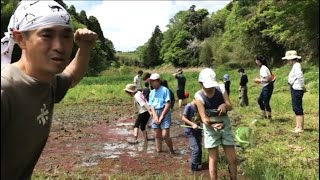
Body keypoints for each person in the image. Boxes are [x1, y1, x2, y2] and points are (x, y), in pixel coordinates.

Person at [1, 1, 97, 179]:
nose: (59, 47)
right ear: (20, 38)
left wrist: (85, 47)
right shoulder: (5, 90)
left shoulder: (47, 81)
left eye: (66, 36)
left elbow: (72, 75)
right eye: (46, 35)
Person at [194, 68, 237, 180]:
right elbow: (204, 118)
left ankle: (234, 177)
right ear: (201, 83)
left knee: (231, 158)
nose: (209, 88)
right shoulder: (199, 96)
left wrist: (224, 106)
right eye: (206, 86)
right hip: (210, 127)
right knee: (213, 159)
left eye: (211, 85)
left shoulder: (221, 88)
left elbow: (230, 105)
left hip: (224, 123)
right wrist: (213, 125)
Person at [148, 73, 174, 154]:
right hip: (155, 111)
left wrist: (162, 115)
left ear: (158, 81)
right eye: (151, 82)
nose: (152, 83)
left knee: (165, 135)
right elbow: (151, 105)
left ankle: (171, 150)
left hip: (164, 111)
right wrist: (155, 116)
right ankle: (159, 150)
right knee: (156, 134)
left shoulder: (165, 90)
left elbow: (168, 103)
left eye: (154, 81)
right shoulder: (152, 92)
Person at [282, 50, 306, 133]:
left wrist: (303, 86)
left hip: (297, 88)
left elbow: (300, 76)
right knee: (295, 107)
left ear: (291, 59)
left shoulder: (297, 65)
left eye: (288, 60)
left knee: (298, 107)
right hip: (294, 87)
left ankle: (301, 128)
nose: (287, 61)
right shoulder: (295, 65)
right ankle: (297, 126)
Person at [181, 99, 202, 171]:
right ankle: (194, 168)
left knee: (199, 147)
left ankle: (199, 164)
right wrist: (192, 124)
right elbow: (183, 118)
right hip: (190, 130)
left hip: (198, 130)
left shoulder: (200, 107)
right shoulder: (189, 106)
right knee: (195, 149)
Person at [254, 55, 274, 119]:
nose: (256, 62)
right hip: (265, 87)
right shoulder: (263, 67)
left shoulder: (263, 68)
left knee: (266, 102)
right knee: (260, 100)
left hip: (267, 87)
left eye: (256, 60)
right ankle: (264, 115)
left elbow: (267, 80)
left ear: (259, 61)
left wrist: (258, 80)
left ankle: (269, 117)